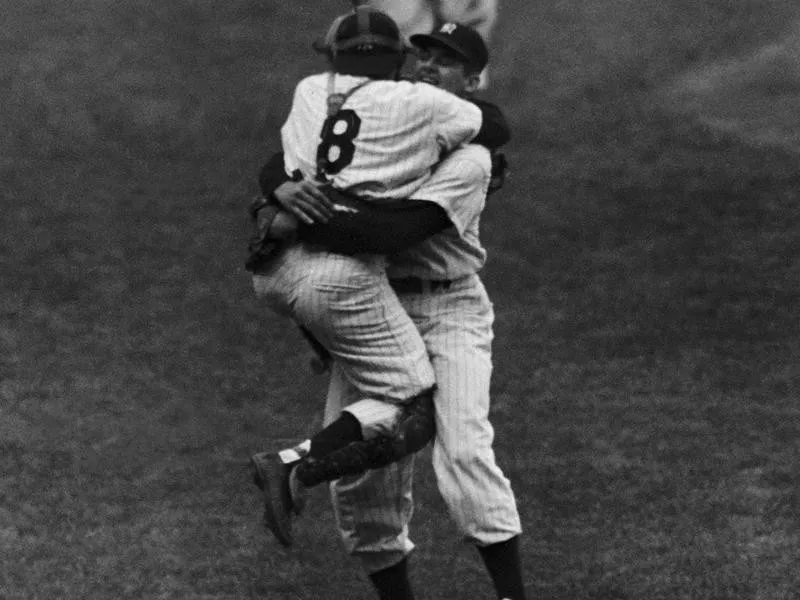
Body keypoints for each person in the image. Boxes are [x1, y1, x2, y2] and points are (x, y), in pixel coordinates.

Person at [257, 23, 526, 600]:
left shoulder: (474, 159)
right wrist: (280, 187)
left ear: (473, 81)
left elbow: (392, 229)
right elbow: (286, 160)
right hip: (374, 301)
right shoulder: (390, 121)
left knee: (466, 454)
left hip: (448, 305)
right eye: (423, 55)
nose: (429, 66)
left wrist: (305, 214)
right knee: (362, 485)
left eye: (447, 61)